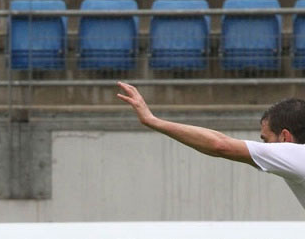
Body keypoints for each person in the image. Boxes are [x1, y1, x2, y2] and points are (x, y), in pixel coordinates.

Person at [117, 81, 305, 208]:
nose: (263, 146)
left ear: (285, 137)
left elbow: (220, 144)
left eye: (266, 140)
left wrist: (152, 121)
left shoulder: (296, 156)